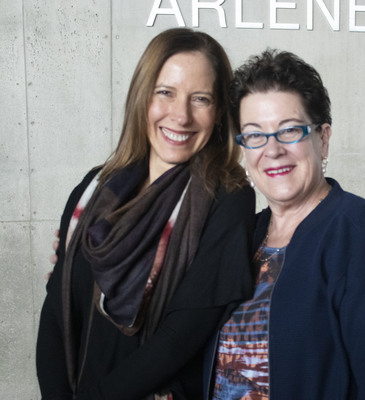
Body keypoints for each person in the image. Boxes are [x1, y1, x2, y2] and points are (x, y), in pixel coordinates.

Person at [36, 28, 255, 399]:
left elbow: (177, 340)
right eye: (165, 92)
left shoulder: (228, 200)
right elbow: (56, 310)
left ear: (219, 114)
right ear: (143, 97)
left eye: (200, 99)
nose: (181, 116)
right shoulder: (93, 190)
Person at [203, 49, 365, 399]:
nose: (272, 150)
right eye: (255, 135)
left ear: (322, 138)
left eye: (289, 131)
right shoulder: (243, 235)